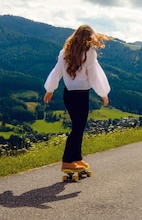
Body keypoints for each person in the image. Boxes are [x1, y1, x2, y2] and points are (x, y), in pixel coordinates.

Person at [43, 25, 111, 171]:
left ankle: (77, 158)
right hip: (81, 96)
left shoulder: (64, 52)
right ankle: (67, 161)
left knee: (78, 127)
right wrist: (103, 93)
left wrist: (50, 89)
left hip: (68, 94)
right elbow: (94, 77)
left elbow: (56, 72)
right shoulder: (89, 53)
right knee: (78, 128)